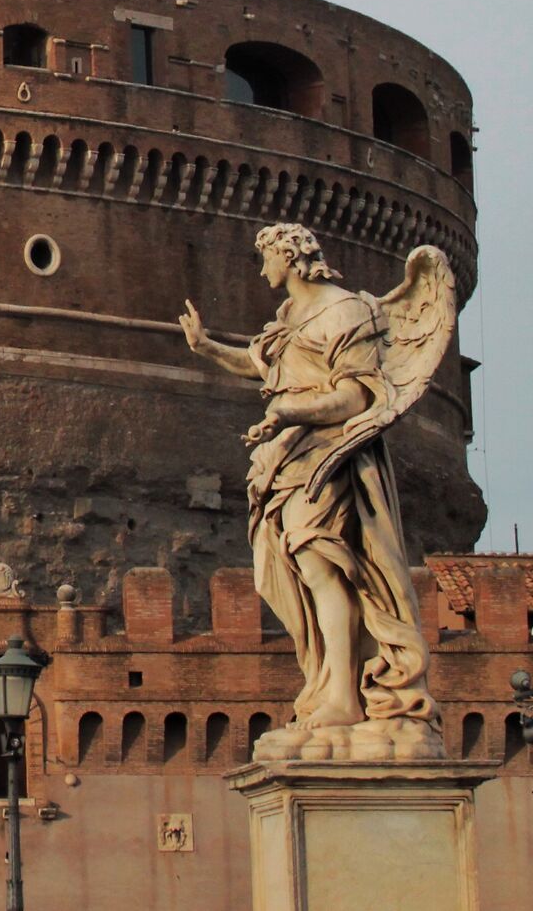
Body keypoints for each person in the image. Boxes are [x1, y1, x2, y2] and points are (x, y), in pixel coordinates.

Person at [178, 226, 453, 759]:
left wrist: (286, 411)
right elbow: (260, 363)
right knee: (300, 576)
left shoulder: (349, 312)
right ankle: (326, 683)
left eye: (265, 260)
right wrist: (206, 347)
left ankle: (345, 697)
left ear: (289, 256)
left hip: (332, 458)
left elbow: (354, 397)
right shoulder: (287, 321)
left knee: (328, 570)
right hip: (288, 458)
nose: (261, 272)